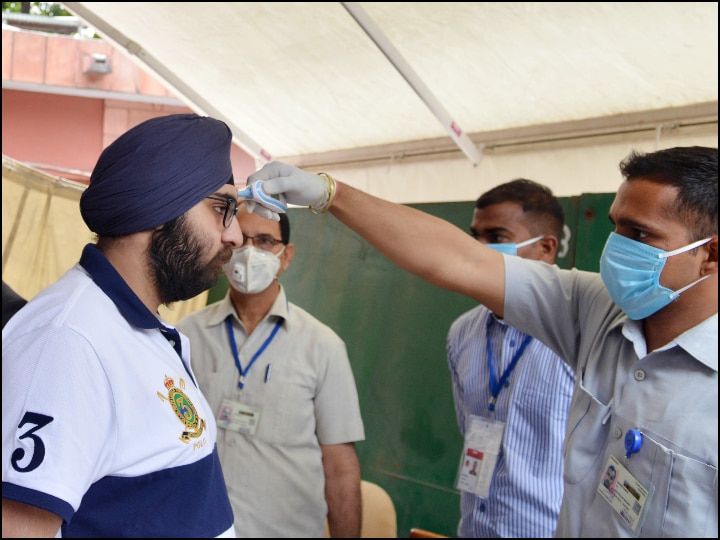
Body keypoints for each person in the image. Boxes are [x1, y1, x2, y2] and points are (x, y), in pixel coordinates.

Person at [247, 145, 717, 538]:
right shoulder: (596, 312)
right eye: (616, 226)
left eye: (639, 235)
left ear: (710, 253)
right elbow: (459, 260)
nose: (617, 247)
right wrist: (329, 194)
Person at [2, 113, 243, 538]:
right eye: (221, 208)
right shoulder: (68, 341)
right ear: (158, 206)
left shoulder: (139, 327)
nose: (235, 235)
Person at [176, 205, 365, 538]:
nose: (249, 252)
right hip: (197, 529)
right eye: (240, 241)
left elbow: (340, 468)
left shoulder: (322, 347)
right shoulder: (186, 336)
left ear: (286, 256)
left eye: (264, 241)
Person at [447, 179, 575, 538]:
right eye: (475, 235)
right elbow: (470, 428)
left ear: (546, 248)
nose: (478, 248)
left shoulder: (577, 335)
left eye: (496, 236)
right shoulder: (462, 332)